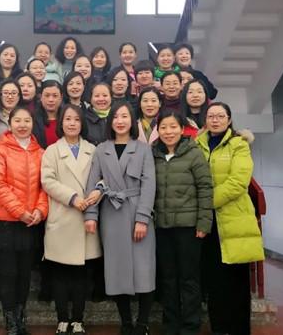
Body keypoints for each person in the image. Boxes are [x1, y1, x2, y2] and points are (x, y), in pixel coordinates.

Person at [84, 102, 156, 335]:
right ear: (110, 121)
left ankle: (142, 324)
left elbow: (149, 185)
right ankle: (125, 323)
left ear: (132, 121)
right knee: (116, 270)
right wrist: (91, 215)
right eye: (116, 117)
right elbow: (92, 184)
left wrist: (142, 218)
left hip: (137, 211)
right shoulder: (101, 149)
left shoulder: (143, 149)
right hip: (111, 213)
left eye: (125, 116)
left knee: (144, 269)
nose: (120, 121)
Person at [195, 102, 264, 335]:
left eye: (220, 116)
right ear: (205, 120)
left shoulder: (239, 145)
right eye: (211, 116)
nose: (215, 120)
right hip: (208, 222)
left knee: (236, 278)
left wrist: (206, 201)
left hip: (234, 219)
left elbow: (238, 183)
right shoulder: (197, 144)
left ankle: (239, 329)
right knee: (214, 278)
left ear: (229, 120)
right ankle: (219, 328)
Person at [41, 104, 102, 335]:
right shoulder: (52, 151)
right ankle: (62, 319)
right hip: (63, 215)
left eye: (76, 119)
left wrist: (99, 190)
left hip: (86, 216)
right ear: (61, 123)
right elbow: (47, 181)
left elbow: (103, 176)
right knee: (60, 273)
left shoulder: (93, 150)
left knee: (80, 273)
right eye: (67, 119)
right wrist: (73, 197)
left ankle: (77, 319)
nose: (72, 123)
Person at [0, 107, 49, 335]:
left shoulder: (40, 152)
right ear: (10, 123)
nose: (22, 125)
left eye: (26, 121)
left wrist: (40, 210)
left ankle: (21, 320)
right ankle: (10, 322)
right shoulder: (1, 149)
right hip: (7, 223)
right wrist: (20, 211)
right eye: (17, 121)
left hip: (31, 223)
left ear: (33, 124)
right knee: (8, 274)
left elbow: (45, 186)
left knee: (25, 274)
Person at [153, 111, 213, 335]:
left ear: (181, 129)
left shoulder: (193, 153)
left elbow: (205, 188)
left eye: (173, 127)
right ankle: (170, 326)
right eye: (163, 127)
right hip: (162, 227)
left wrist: (203, 223)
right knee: (168, 279)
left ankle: (190, 327)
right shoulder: (153, 154)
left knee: (189, 278)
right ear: (158, 130)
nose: (168, 132)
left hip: (188, 228)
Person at [32, 80, 63, 149]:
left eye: (55, 96)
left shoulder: (66, 118)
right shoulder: (32, 120)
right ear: (41, 97)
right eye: (47, 95)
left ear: (61, 97)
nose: (50, 100)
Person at [83, 82, 112, 146]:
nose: (101, 99)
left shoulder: (117, 118)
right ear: (91, 99)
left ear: (111, 98)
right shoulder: (84, 121)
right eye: (97, 96)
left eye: (105, 95)